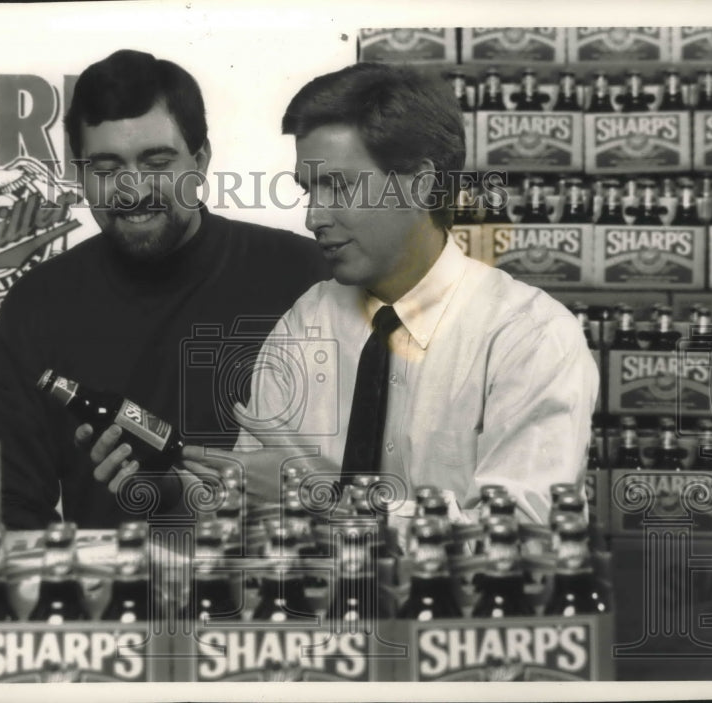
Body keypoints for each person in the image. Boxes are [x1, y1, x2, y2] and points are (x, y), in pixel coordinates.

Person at [182, 63, 598, 525]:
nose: (313, 217)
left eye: (338, 187)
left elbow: (521, 539)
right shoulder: (308, 320)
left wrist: (329, 498)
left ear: (420, 184)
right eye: (309, 191)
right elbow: (259, 504)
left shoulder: (530, 338)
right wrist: (190, 494)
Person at [0, 50, 329, 530]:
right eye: (105, 168)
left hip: (275, 593)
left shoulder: (303, 274)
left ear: (200, 160)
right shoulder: (35, 305)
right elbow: (10, 507)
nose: (133, 188)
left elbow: (351, 472)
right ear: (79, 176)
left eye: (156, 162)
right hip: (110, 594)